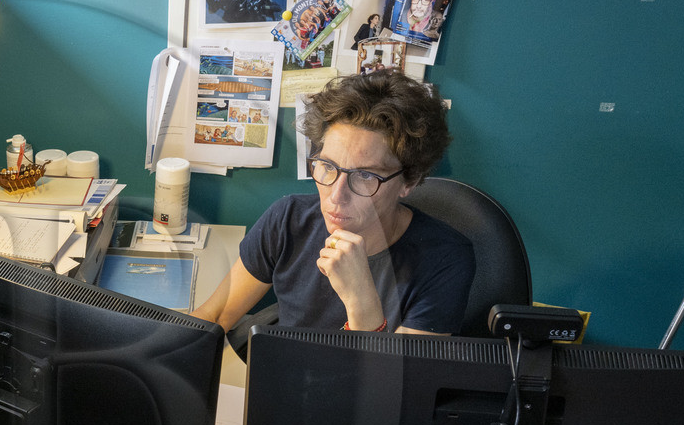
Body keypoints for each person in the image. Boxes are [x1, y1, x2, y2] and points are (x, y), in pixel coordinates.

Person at [191, 72, 473, 337]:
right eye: (327, 166)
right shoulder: (288, 219)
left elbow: (392, 385)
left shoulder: (446, 259)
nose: (337, 196)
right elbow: (215, 317)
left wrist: (360, 298)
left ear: (408, 182)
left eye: (365, 175)